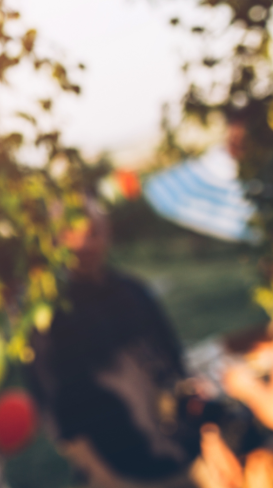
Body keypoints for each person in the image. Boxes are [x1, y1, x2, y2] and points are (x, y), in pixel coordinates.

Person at [28, 199, 202, 487]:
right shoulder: (49, 316)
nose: (84, 244)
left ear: (107, 233)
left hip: (179, 456)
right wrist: (97, 472)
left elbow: (175, 361)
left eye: (93, 233)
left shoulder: (133, 290)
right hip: (116, 469)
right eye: (70, 234)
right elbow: (55, 405)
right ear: (54, 242)